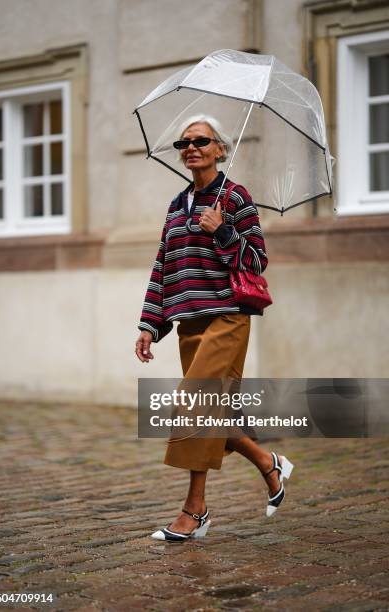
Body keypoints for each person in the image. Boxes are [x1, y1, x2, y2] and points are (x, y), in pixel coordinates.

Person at [135, 115, 294, 542]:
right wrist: (151, 322)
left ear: (220, 148)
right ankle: (268, 463)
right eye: (184, 143)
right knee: (212, 410)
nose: (191, 148)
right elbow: (163, 267)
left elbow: (257, 261)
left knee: (194, 404)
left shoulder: (236, 198)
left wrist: (221, 229)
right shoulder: (177, 205)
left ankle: (195, 510)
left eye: (201, 140)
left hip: (227, 317)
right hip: (190, 322)